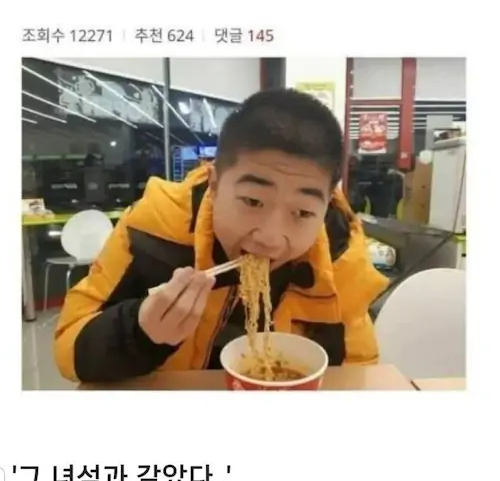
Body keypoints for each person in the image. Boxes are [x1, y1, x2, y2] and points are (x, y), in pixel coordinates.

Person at [54, 88, 389, 383]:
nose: (271, 238)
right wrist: (139, 331)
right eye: (253, 201)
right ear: (214, 185)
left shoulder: (340, 259)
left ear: (325, 206)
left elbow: (360, 371)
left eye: (302, 213)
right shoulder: (152, 227)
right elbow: (68, 350)